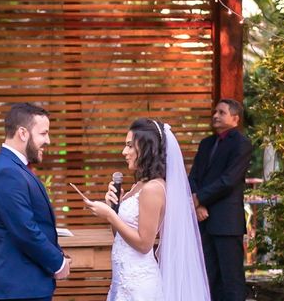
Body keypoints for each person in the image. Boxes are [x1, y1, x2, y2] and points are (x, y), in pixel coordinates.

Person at [84, 118, 210, 300]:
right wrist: (115, 207)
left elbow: (144, 244)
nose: (124, 152)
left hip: (139, 285)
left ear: (146, 149)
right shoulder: (139, 185)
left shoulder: (154, 189)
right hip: (123, 280)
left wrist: (111, 215)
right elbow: (120, 236)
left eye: (129, 146)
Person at [0, 102, 71, 301]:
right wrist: (57, 262)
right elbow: (25, 229)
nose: (48, 140)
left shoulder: (15, 167)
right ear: (23, 133)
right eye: (43, 133)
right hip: (21, 287)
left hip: (28, 284)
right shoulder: (8, 172)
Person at [188, 99, 252, 301]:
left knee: (231, 280)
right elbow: (194, 177)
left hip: (226, 223)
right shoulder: (206, 143)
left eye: (221, 112)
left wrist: (200, 198)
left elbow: (229, 180)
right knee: (208, 277)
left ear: (235, 118)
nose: (215, 115)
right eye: (215, 111)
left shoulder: (242, 144)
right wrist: (198, 204)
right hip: (203, 220)